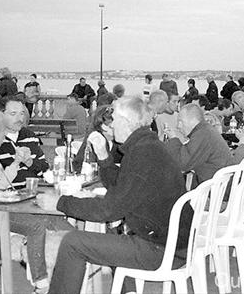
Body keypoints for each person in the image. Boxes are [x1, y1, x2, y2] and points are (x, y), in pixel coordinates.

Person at [42, 96, 194, 294]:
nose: (110, 125)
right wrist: (104, 157)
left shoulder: (142, 154)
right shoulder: (148, 146)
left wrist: (60, 203)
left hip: (161, 249)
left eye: (114, 120)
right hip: (173, 242)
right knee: (112, 232)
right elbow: (121, 188)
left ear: (127, 122)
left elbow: (109, 210)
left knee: (73, 242)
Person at [0, 110, 73, 294]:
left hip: (0, 204)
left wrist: (16, 162)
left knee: (53, 219)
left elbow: (1, 182)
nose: (4, 140)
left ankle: (77, 257)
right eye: (2, 135)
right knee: (37, 224)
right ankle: (41, 282)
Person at [166, 104, 233, 187]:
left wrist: (173, 138)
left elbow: (183, 164)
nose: (178, 126)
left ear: (193, 120)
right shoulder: (205, 130)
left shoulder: (202, 134)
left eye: (181, 121)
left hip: (214, 190)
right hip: (220, 183)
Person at [0, 96, 49, 186]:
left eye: (22, 113)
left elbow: (46, 170)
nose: (20, 119)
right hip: (6, 195)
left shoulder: (30, 136)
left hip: (35, 191)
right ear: (0, 115)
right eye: (13, 114)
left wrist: (29, 162)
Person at [73, 105, 122, 173]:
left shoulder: (121, 142)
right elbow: (80, 164)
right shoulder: (95, 139)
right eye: (109, 126)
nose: (113, 128)